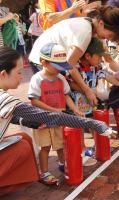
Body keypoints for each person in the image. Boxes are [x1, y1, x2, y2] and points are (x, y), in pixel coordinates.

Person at [0, 47, 115, 194]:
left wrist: (26, 121)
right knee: (22, 147)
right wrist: (96, 124)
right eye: (19, 72)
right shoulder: (5, 98)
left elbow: (10, 116)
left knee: (24, 139)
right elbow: (53, 117)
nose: (21, 77)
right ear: (3, 74)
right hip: (53, 116)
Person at [29, 6, 119, 107]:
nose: (108, 39)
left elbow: (108, 59)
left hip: (54, 59)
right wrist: (87, 90)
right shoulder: (85, 32)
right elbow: (69, 66)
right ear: (101, 23)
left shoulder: (92, 26)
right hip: (44, 59)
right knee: (52, 103)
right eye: (110, 35)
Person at [28, 43, 85, 185]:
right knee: (45, 147)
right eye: (56, 66)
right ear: (43, 62)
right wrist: (53, 110)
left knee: (61, 144)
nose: (59, 70)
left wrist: (75, 109)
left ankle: (62, 163)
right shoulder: (37, 79)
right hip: (42, 120)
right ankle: (45, 172)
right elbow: (34, 101)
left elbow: (66, 96)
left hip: (59, 119)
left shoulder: (61, 78)